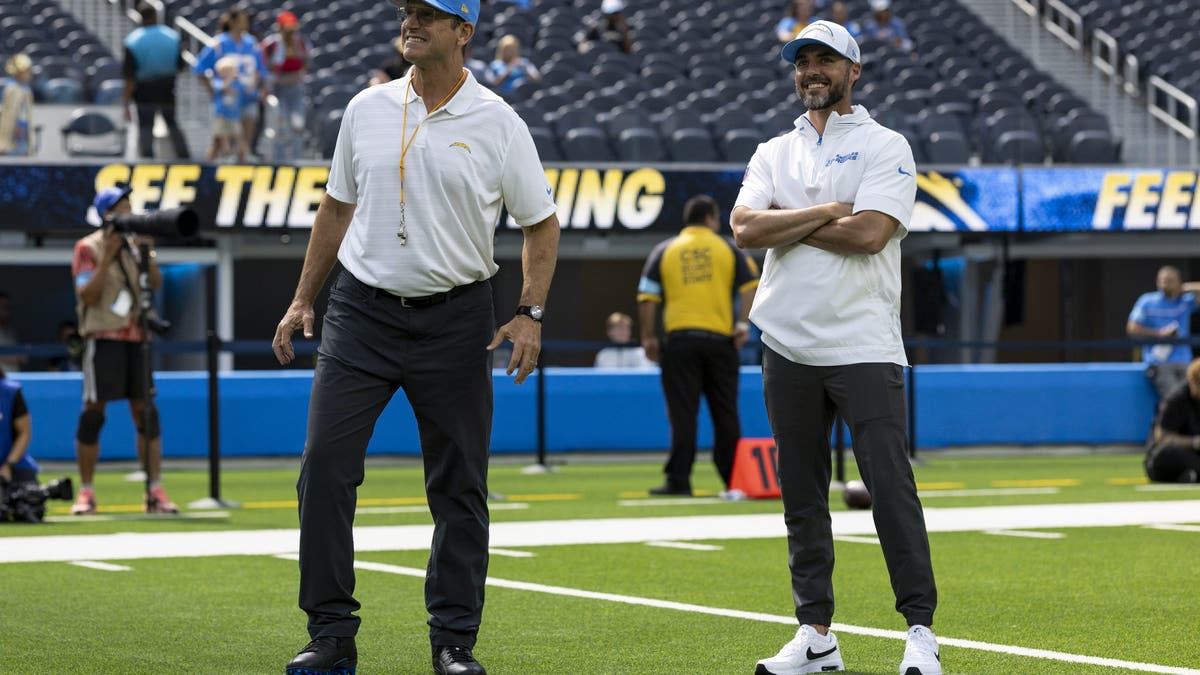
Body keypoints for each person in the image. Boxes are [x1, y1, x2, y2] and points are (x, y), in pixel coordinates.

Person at [271, 0, 560, 672]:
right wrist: (301, 298)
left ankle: (454, 641)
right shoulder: (365, 108)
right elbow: (336, 207)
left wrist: (530, 313)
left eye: (430, 14)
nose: (413, 22)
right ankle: (331, 634)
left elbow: (539, 223)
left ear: (464, 32)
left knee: (459, 485)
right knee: (323, 470)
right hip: (360, 312)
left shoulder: (498, 121)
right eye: (408, 11)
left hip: (456, 317)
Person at [729, 21, 940, 675]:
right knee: (801, 495)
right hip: (786, 342)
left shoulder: (886, 144)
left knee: (889, 487)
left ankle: (921, 635)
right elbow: (743, 227)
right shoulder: (772, 150)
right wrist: (826, 211)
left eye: (825, 60)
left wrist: (786, 222)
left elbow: (871, 233)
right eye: (802, 61)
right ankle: (816, 634)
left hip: (863, 344)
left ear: (854, 70)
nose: (811, 70)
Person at [637, 195, 759, 499]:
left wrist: (649, 337)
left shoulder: (664, 250)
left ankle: (679, 479)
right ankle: (734, 479)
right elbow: (751, 286)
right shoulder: (728, 248)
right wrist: (742, 325)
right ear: (711, 218)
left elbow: (647, 296)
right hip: (721, 342)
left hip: (679, 343)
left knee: (682, 413)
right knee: (725, 413)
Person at [69, 185, 178, 516]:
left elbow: (154, 284)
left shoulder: (136, 246)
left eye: (129, 206)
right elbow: (87, 295)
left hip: (137, 337)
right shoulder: (87, 247)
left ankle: (154, 490)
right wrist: (108, 255)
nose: (128, 213)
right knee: (93, 414)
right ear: (106, 214)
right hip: (102, 337)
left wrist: (147, 253)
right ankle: (86, 493)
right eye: (121, 208)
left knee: (147, 414)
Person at [192, 7, 268, 160]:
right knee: (219, 141)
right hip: (227, 99)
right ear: (232, 21)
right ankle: (207, 178)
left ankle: (241, 178)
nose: (245, 23)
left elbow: (260, 70)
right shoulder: (219, 43)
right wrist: (212, 91)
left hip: (247, 97)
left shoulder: (251, 43)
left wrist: (261, 88)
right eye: (241, 19)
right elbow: (199, 68)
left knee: (244, 142)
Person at [122, 3, 191, 159]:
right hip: (167, 89)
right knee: (172, 124)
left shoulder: (133, 40)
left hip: (143, 92)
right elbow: (180, 66)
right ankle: (185, 159)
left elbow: (129, 76)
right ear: (156, 16)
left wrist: (125, 103)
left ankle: (147, 160)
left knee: (145, 127)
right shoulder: (172, 36)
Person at [1127, 265, 1200, 400]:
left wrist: (1184, 288)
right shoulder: (1147, 301)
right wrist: (1159, 334)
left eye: (1170, 280)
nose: (1164, 283)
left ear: (1178, 282)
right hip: (1159, 362)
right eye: (1162, 280)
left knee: (1191, 399)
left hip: (1184, 361)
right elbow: (1132, 328)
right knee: (1175, 399)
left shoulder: (1185, 301)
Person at [261, 10, 311, 163]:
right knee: (279, 126)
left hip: (295, 89)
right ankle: (277, 162)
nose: (291, 32)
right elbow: (265, 67)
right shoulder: (271, 44)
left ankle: (297, 161)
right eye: (287, 28)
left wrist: (297, 76)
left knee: (297, 125)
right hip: (277, 89)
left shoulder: (300, 43)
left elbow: (305, 64)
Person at [1144, 358, 1200, 483]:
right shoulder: (1176, 399)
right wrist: (1194, 442)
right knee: (1167, 453)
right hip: (1171, 456)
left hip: (1194, 456)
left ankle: (1192, 475)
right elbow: (1163, 438)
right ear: (1193, 382)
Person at [207, 57, 250, 162]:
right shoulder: (217, 82)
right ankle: (227, 154)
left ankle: (245, 155)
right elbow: (222, 88)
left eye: (228, 71)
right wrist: (230, 78)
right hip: (221, 114)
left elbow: (247, 92)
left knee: (238, 136)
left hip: (234, 115)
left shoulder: (238, 84)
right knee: (221, 135)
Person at [0, 366, 34, 486]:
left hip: (14, 466)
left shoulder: (9, 392)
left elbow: (24, 433)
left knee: (31, 498)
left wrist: (8, 465)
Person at [0, 54, 34, 157]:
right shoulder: (13, 89)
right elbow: (10, 113)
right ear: (18, 73)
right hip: (16, 130)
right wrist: (16, 128)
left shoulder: (24, 88)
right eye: (26, 71)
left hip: (23, 126)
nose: (29, 74)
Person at [0, 291, 25, 372]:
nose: (7, 311)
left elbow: (24, 357)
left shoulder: (11, 331)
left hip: (14, 377)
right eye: (4, 307)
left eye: (9, 307)